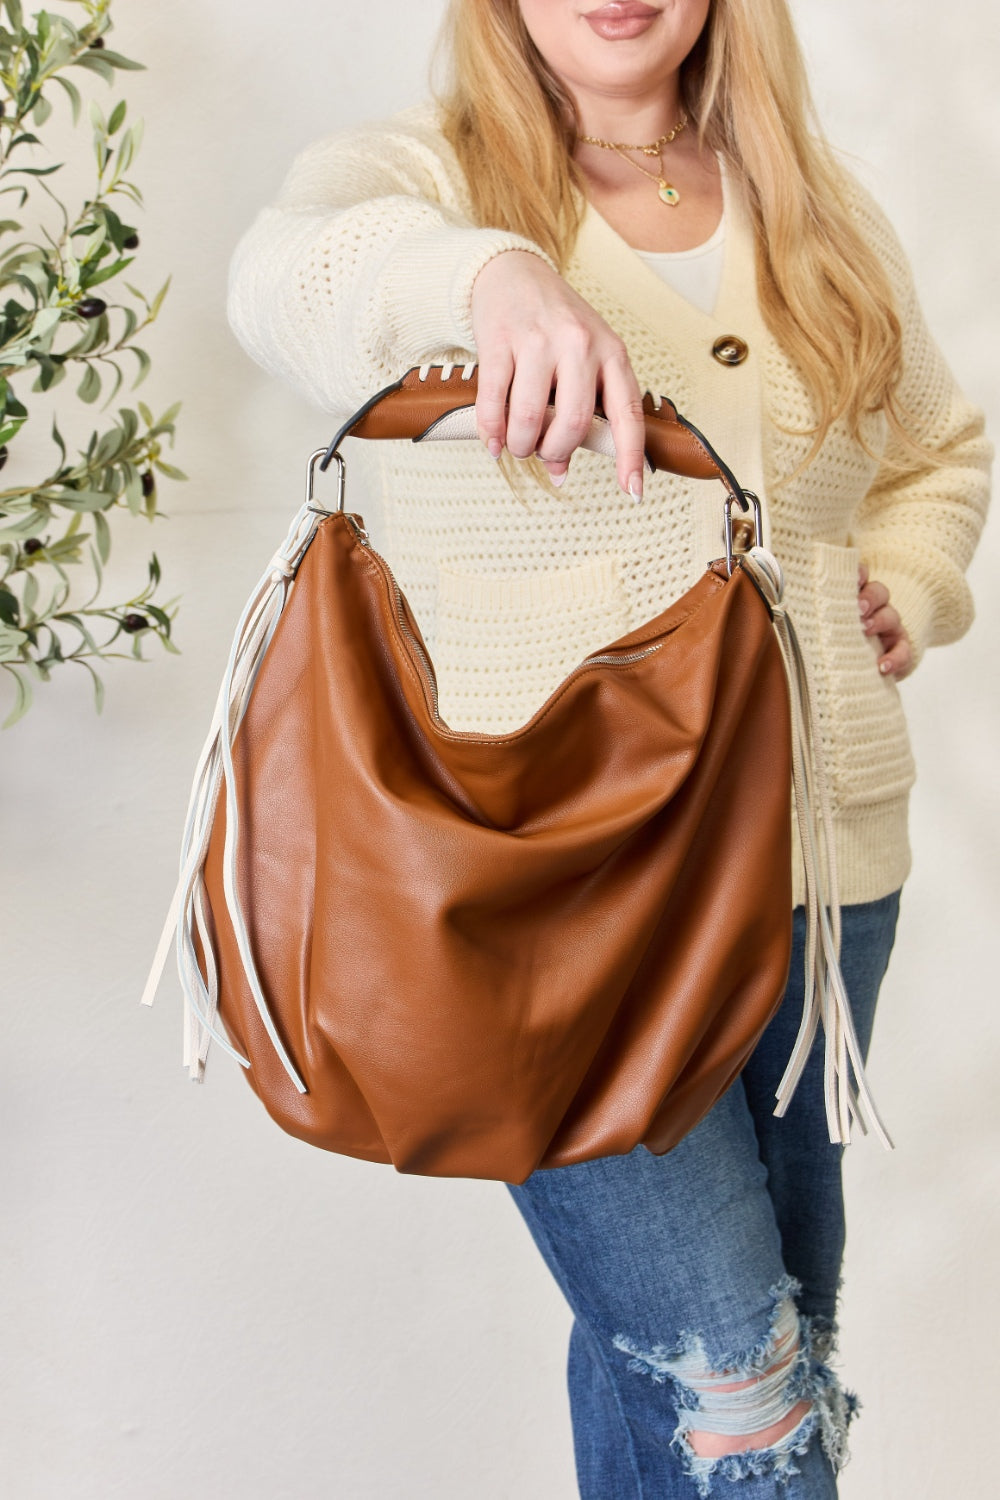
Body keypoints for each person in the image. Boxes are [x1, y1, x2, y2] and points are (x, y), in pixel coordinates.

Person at [225, 1, 991, 1494]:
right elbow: (279, 280)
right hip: (561, 903)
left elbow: (937, 450)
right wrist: (492, 278)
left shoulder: (814, 203)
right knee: (740, 1388)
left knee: (731, 1347)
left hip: (821, 882)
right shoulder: (434, 181)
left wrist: (908, 579)